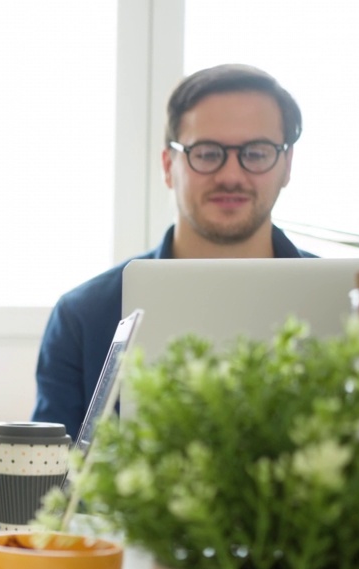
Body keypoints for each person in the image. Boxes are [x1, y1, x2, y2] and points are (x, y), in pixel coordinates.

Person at [32, 63, 312, 438]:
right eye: (208, 153)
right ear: (168, 166)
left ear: (287, 165)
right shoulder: (82, 317)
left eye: (257, 153)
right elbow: (52, 489)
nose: (231, 175)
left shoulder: (350, 306)